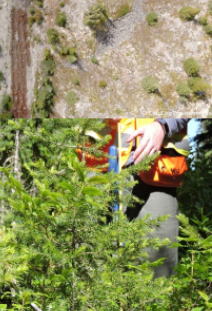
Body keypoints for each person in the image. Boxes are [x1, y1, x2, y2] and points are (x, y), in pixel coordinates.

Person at [79, 118, 190, 278]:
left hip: (156, 167)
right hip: (98, 163)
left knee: (157, 270)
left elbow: (197, 95)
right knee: (89, 266)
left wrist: (163, 125)